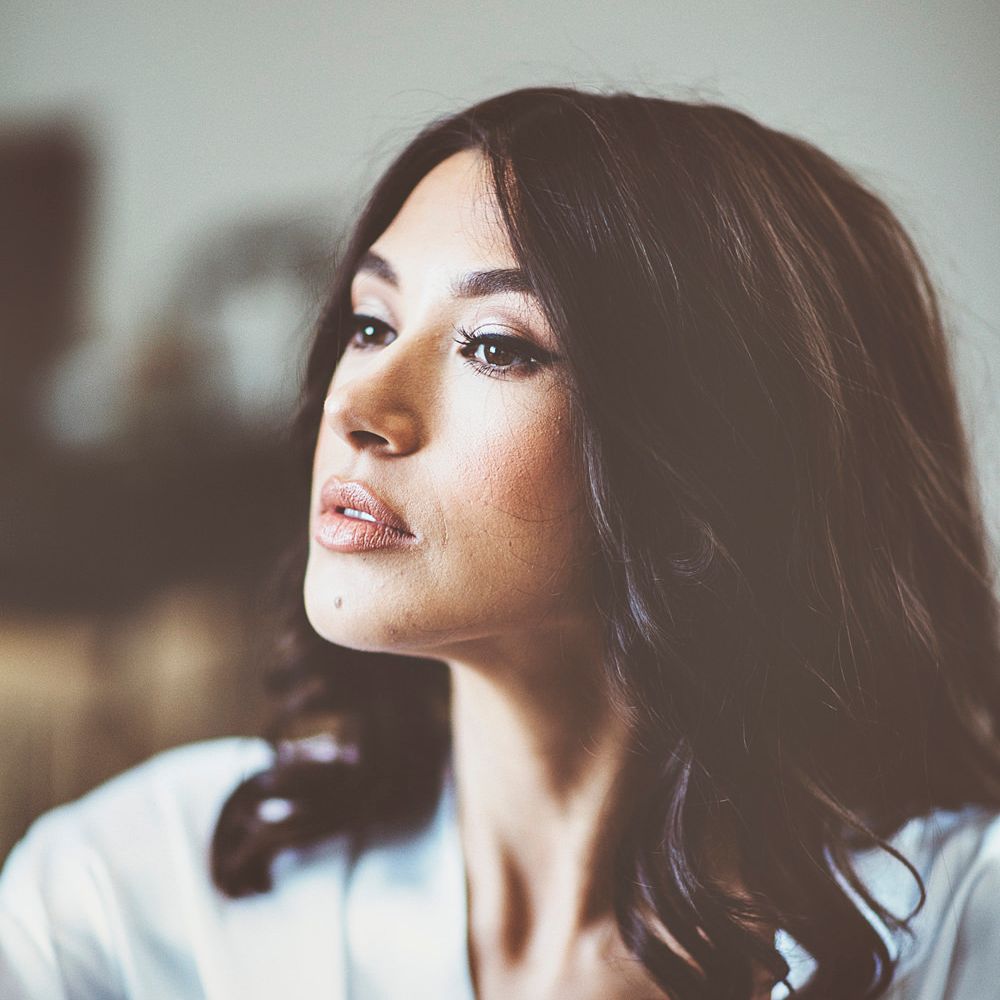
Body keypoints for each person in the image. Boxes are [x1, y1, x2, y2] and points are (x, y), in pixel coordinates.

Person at [2, 85, 999, 1000]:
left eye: (495, 345)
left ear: (713, 452)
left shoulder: (957, 932)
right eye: (370, 323)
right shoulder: (130, 894)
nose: (358, 407)